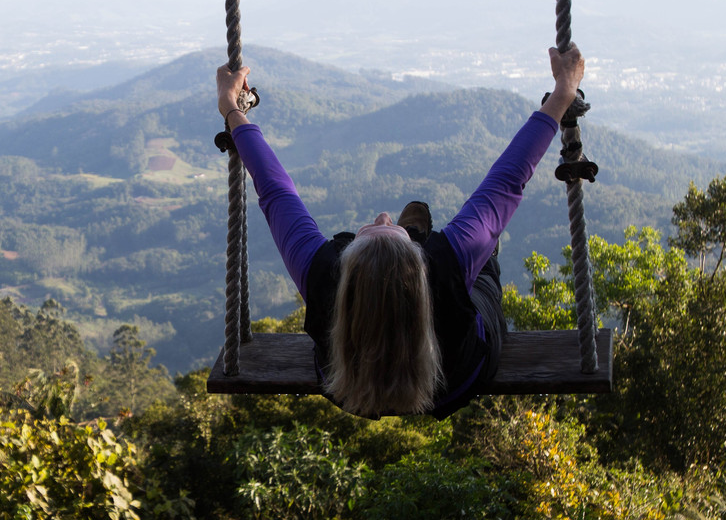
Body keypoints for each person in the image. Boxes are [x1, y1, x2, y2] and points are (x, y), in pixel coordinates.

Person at [216, 45, 586, 418]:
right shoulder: (444, 264)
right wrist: (562, 94)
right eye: (390, 227)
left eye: (377, 227)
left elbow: (275, 191)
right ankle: (417, 238)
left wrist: (231, 108)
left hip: (347, 388)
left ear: (345, 273)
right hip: (453, 382)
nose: (382, 216)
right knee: (483, 263)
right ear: (423, 263)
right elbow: (507, 180)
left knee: (354, 245)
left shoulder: (324, 273)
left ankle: (405, 238)